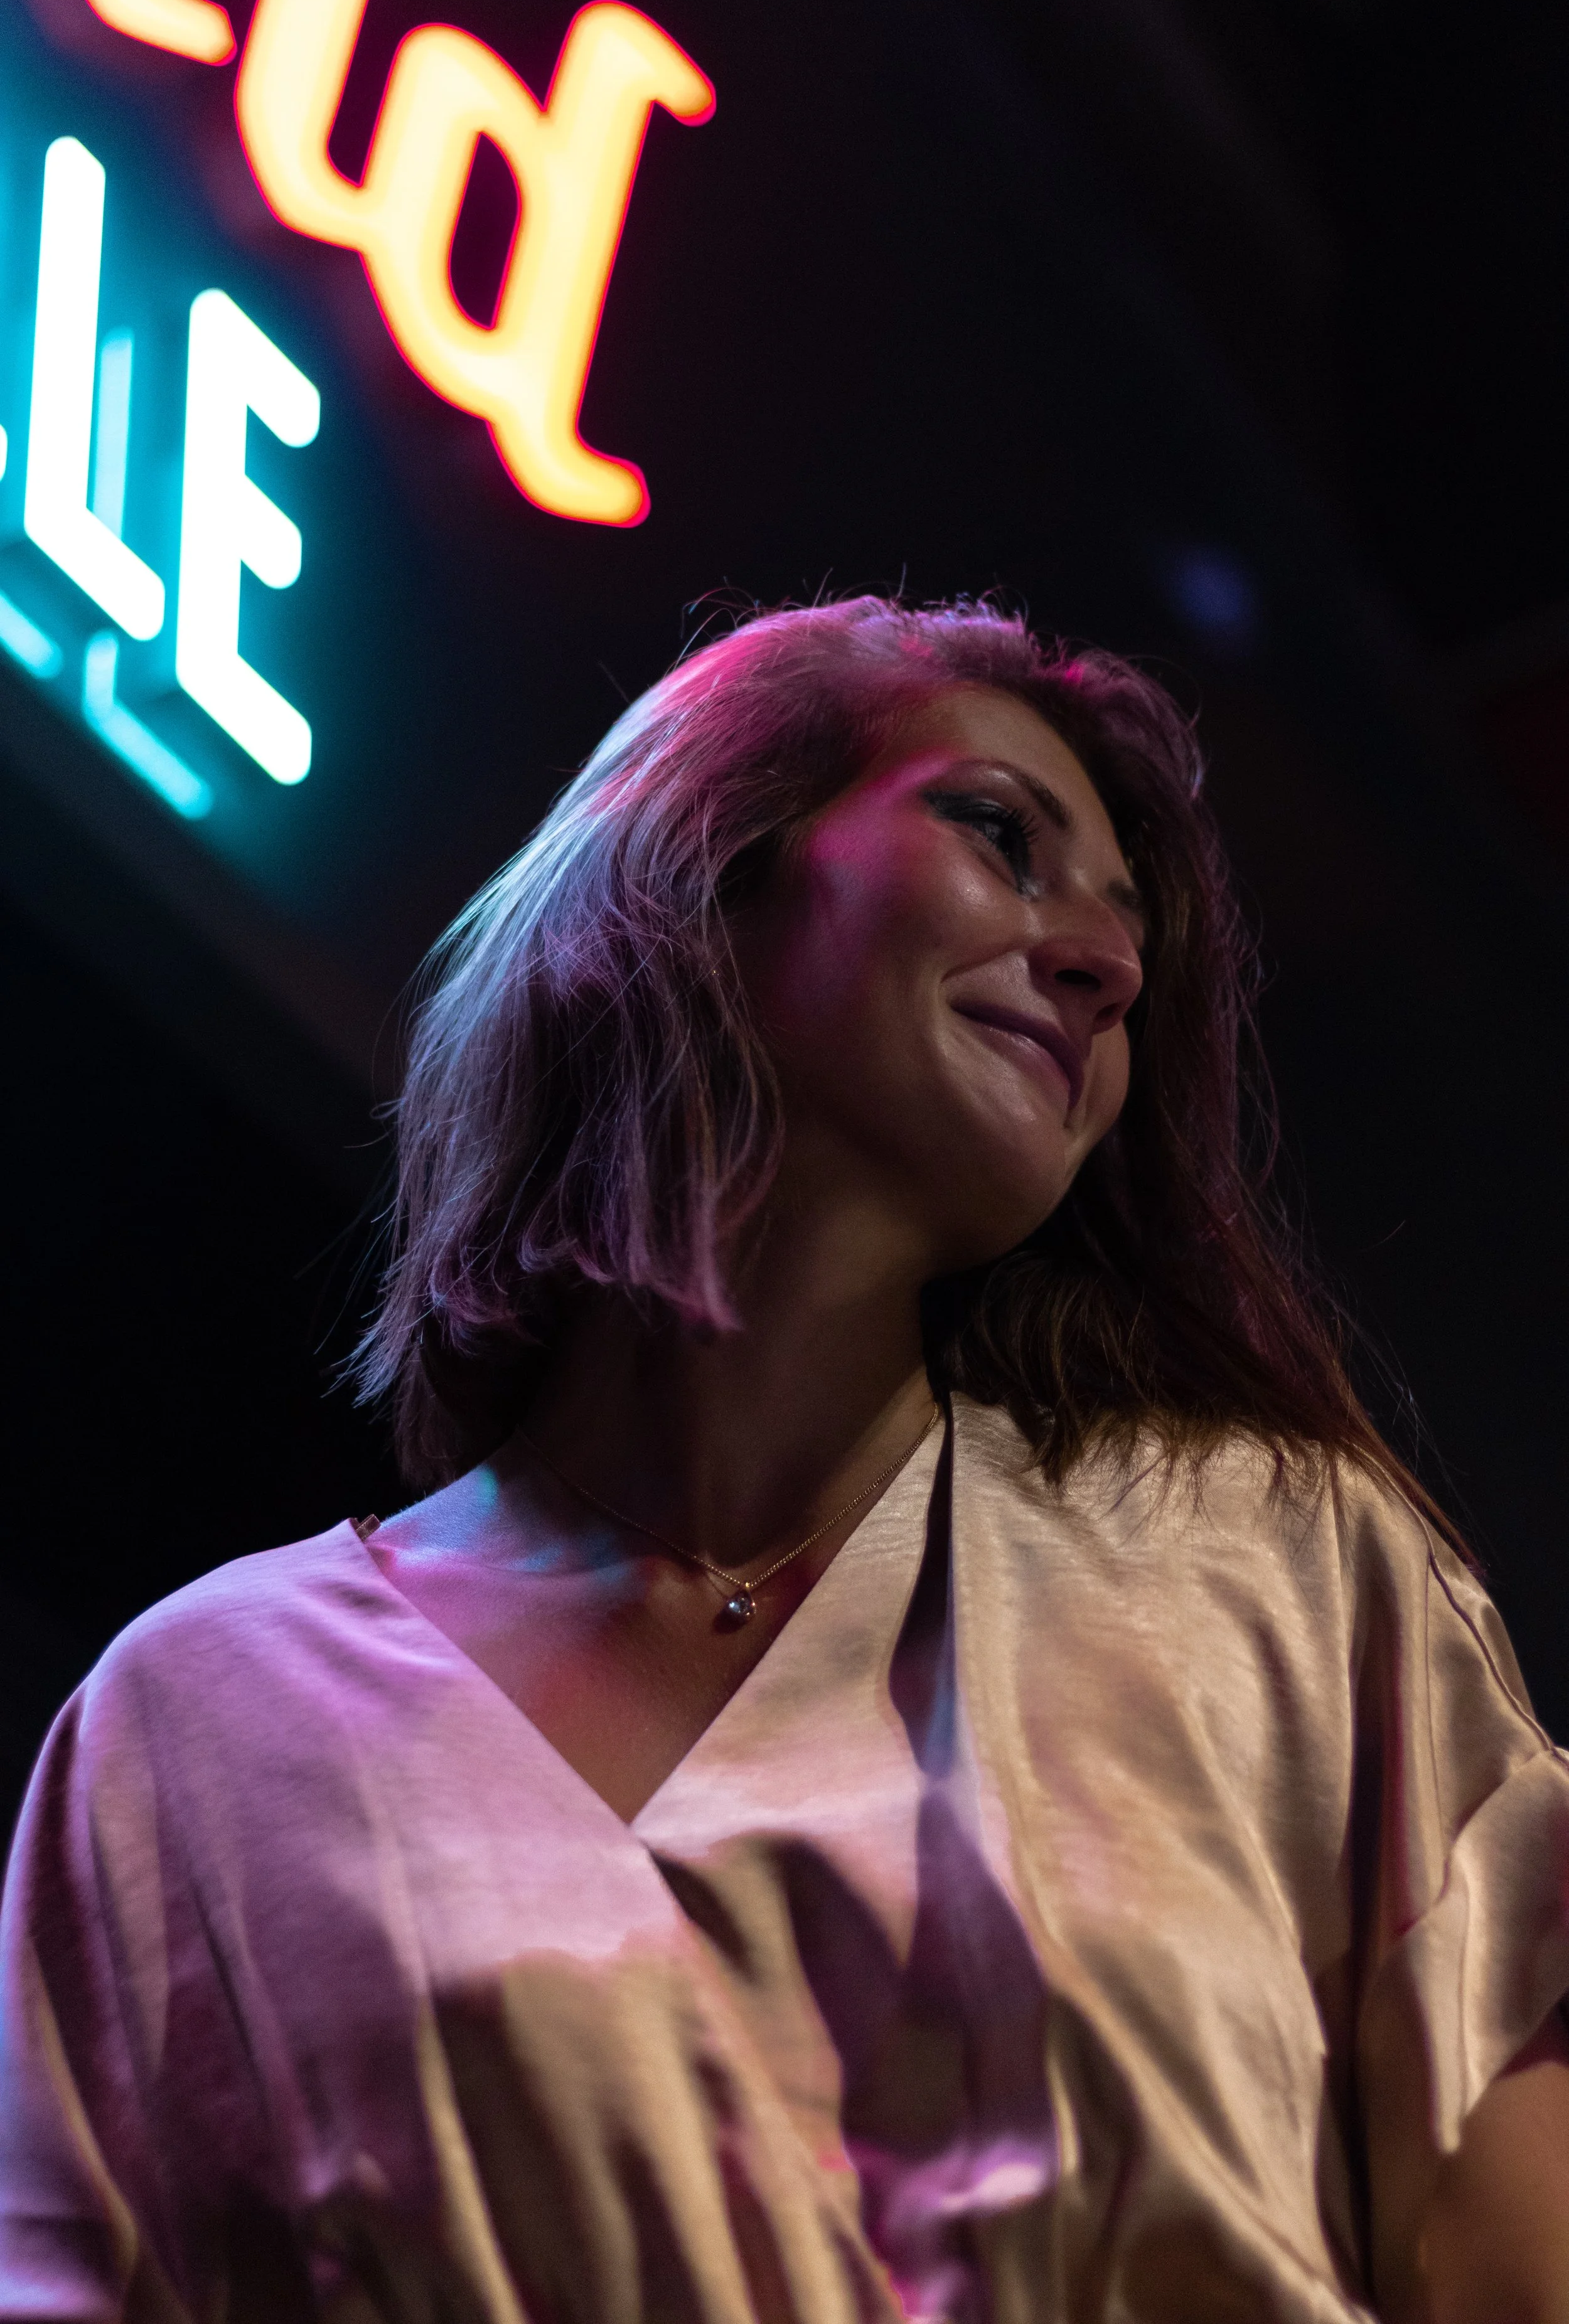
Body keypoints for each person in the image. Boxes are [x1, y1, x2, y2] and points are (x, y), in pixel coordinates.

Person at [2, 596, 1566, 2324]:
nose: (1105, 966)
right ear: (706, 862)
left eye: (1130, 935)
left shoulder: (1267, 1567)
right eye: (1000, 836)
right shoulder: (204, 1721)